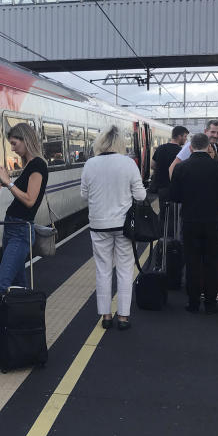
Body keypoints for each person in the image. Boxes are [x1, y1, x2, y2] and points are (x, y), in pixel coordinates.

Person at [81, 125, 147, 331]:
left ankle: (106, 316)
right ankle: (124, 317)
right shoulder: (128, 164)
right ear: (121, 143)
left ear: (100, 142)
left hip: (98, 225)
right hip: (124, 226)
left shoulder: (90, 164)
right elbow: (141, 196)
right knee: (126, 269)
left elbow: (84, 194)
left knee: (102, 269)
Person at [169, 132, 218, 314]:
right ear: (209, 147)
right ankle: (211, 303)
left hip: (190, 221)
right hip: (214, 221)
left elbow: (174, 196)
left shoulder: (181, 169)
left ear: (190, 148)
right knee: (212, 262)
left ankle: (193, 303)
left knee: (192, 262)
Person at [0, 122, 49, 292]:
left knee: (2, 285)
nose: (12, 149)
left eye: (14, 144)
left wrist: (9, 183)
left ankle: (2, 318)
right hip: (12, 227)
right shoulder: (29, 165)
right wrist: (6, 183)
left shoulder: (38, 165)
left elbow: (30, 200)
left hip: (20, 231)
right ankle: (24, 317)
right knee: (18, 283)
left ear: (26, 140)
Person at [149, 125, 187, 203]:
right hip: (173, 188)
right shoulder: (182, 152)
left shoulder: (160, 148)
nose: (186, 139)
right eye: (185, 136)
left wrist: (161, 169)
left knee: (161, 211)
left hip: (160, 187)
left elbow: (152, 165)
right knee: (172, 212)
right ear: (179, 136)